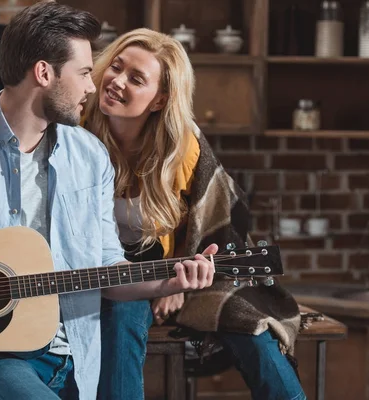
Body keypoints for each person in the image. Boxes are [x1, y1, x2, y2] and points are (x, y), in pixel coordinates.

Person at [0, 4, 215, 400]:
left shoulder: (90, 157)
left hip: (78, 357)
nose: (92, 86)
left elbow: (106, 269)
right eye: (85, 73)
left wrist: (169, 280)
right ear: (44, 73)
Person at [83, 29, 306, 400]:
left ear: (160, 100)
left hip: (164, 264)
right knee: (120, 320)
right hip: (97, 271)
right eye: (116, 67)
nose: (116, 81)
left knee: (247, 320)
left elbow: (212, 218)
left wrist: (177, 281)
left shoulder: (181, 146)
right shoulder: (77, 128)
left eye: (136, 79)